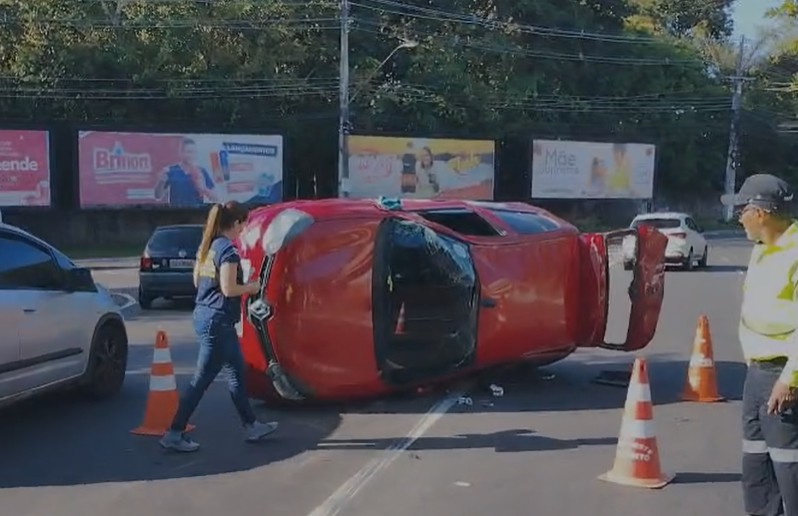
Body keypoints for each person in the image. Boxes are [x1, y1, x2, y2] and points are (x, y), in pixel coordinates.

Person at [160, 201, 278, 452]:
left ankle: (252, 425)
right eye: (244, 224)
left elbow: (196, 281)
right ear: (235, 224)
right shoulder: (228, 251)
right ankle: (174, 432)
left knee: (236, 373)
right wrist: (252, 287)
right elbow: (228, 289)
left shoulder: (209, 247)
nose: (245, 229)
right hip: (218, 321)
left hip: (207, 316)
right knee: (201, 380)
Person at [720, 173, 798, 516]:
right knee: (755, 459)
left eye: (742, 209)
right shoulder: (762, 249)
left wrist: (790, 379)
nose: (738, 217)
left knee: (788, 463)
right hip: (756, 372)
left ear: (762, 212)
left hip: (783, 374)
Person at [154, 137, 219, 207]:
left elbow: (216, 198)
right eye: (188, 152)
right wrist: (161, 181)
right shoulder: (171, 170)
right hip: (176, 213)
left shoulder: (201, 171)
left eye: (193, 152)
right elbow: (158, 196)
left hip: (196, 213)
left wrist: (204, 189)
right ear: (181, 153)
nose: (191, 155)